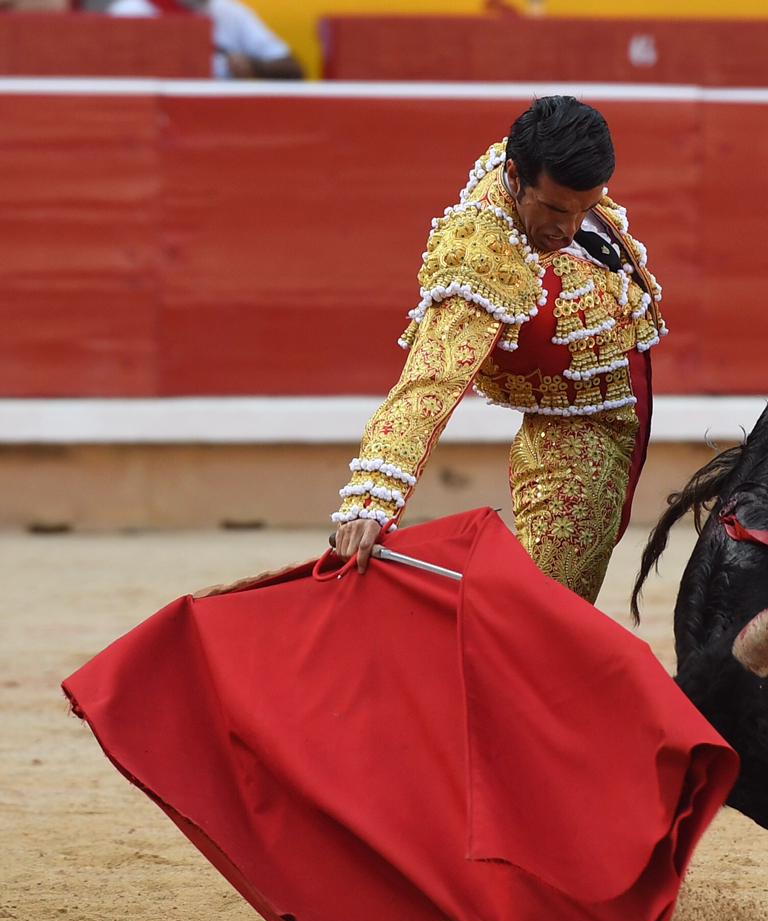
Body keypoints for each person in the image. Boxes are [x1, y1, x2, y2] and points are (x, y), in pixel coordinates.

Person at [331, 95, 666, 604]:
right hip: (573, 440)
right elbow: (430, 379)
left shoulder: (549, 165)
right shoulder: (483, 252)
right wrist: (372, 501)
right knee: (545, 615)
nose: (568, 229)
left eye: (585, 209)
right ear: (515, 176)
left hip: (616, 423)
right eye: (554, 209)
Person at [105, 0, 303, 80]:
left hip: (224, 121)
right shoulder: (129, 12)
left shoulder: (229, 11)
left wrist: (254, 66)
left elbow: (294, 69)